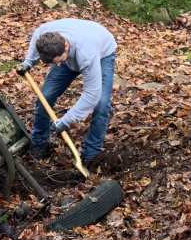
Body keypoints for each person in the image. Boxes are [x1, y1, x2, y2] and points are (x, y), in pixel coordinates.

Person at [17, 18, 117, 164]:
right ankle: (39, 144)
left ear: (65, 45)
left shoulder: (87, 54)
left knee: (101, 104)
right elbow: (37, 34)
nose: (57, 65)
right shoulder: (45, 35)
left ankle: (91, 155)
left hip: (102, 53)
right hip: (73, 48)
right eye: (53, 63)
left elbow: (91, 94)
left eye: (59, 61)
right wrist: (29, 61)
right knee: (45, 97)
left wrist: (66, 121)